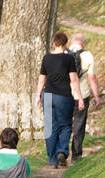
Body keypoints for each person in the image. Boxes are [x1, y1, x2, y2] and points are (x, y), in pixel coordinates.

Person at [36, 31, 85, 167]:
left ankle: (52, 160)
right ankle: (62, 152)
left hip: (48, 95)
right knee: (65, 125)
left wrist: (38, 95)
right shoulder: (68, 59)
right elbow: (74, 79)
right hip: (64, 96)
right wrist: (80, 98)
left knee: (50, 127)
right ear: (65, 44)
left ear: (54, 43)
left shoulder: (46, 58)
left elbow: (42, 79)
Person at [67, 32, 101, 160]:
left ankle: (61, 153)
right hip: (83, 94)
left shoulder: (63, 53)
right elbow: (91, 78)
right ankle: (76, 155)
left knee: (64, 124)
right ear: (83, 43)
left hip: (65, 94)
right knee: (79, 124)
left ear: (72, 41)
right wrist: (96, 96)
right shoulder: (87, 55)